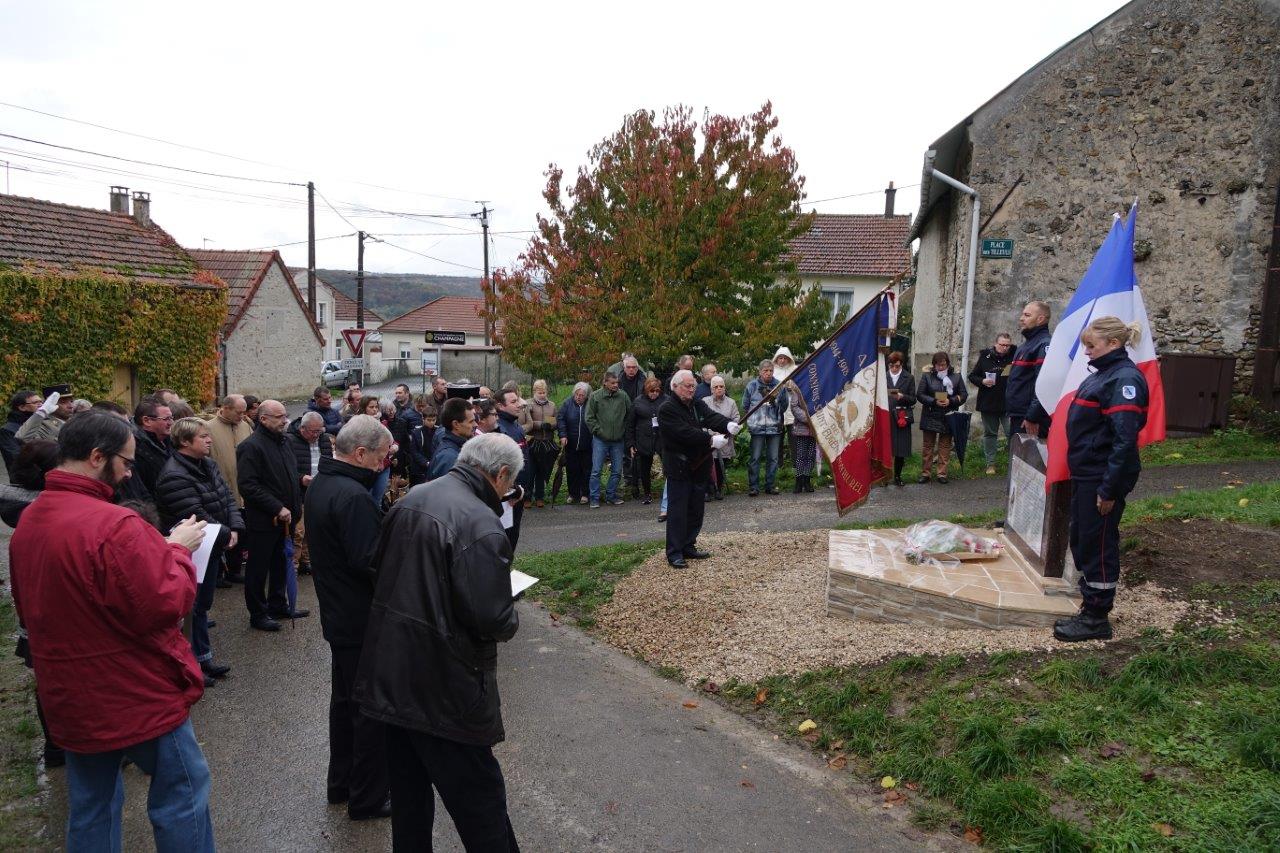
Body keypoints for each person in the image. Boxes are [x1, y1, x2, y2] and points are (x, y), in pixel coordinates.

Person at [9, 412, 214, 851]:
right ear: (96, 456)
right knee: (182, 793)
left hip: (70, 692)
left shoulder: (31, 520)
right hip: (135, 691)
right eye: (125, 461)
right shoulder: (116, 525)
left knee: (92, 804)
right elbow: (165, 605)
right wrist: (176, 553)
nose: (128, 472)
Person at [355, 433, 523, 851]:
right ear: (501, 475)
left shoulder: (412, 498)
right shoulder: (481, 523)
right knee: (480, 803)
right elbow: (491, 617)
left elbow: (381, 569)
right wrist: (510, 610)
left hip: (393, 672)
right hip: (446, 684)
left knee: (410, 799)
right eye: (509, 484)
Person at [305, 415, 394, 821]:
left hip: (339, 615)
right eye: (380, 457)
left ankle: (341, 784)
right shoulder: (353, 496)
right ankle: (368, 797)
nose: (383, 465)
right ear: (360, 453)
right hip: (360, 620)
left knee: (344, 705)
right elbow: (370, 561)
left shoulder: (325, 482)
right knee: (369, 711)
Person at [1055, 317, 1150, 643]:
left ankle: (1097, 617)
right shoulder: (1104, 374)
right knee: (1082, 540)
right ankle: (1089, 604)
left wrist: (1108, 489)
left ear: (1112, 344)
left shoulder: (1124, 380)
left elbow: (1124, 441)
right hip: (1088, 474)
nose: (1085, 352)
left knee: (1098, 544)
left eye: (1091, 346)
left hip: (1101, 478)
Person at [155, 417, 243, 685]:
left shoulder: (208, 464)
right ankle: (191, 665)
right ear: (184, 441)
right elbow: (194, 512)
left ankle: (204, 657)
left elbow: (227, 496)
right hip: (192, 549)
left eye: (208, 435)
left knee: (202, 606)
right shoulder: (174, 475)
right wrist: (227, 533)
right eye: (203, 436)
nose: (209, 440)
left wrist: (235, 526)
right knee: (190, 608)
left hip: (211, 545)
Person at [0, 440, 62, 768]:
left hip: (33, 605)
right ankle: (59, 744)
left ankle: (55, 745)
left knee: (46, 680)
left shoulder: (25, 509)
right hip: (50, 607)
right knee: (57, 681)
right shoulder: (43, 512)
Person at [237, 400, 307, 631]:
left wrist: (299, 480)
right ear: (263, 419)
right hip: (265, 520)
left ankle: (278, 604)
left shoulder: (284, 441)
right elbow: (248, 486)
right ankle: (257, 613)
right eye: (279, 417)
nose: (285, 420)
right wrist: (277, 507)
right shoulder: (251, 446)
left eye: (285, 415)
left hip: (286, 519)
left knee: (280, 563)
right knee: (258, 568)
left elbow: (284, 474)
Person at [659, 370, 740, 568]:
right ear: (675, 386)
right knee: (678, 510)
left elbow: (711, 417)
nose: (691, 389)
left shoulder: (696, 403)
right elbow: (683, 433)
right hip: (679, 465)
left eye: (693, 386)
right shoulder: (667, 409)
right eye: (688, 386)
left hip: (699, 464)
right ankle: (675, 552)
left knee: (696, 507)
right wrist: (710, 439)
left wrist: (728, 425)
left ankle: (688, 545)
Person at [204, 394, 253, 586]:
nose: (242, 415)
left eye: (243, 412)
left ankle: (234, 570)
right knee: (221, 533)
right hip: (220, 489)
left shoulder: (245, 426)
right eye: (238, 412)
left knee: (240, 532)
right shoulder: (208, 428)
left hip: (244, 489)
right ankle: (217, 575)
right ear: (225, 408)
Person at [287, 411, 335, 574]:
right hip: (299, 493)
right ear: (302, 429)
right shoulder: (290, 441)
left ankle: (306, 561)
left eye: (319, 430)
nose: (317, 434)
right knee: (298, 531)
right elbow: (286, 469)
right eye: (313, 431)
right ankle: (292, 564)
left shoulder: (324, 439)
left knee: (312, 529)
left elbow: (329, 462)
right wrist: (301, 479)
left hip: (319, 490)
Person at [916, 351, 968, 484]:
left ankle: (942, 474)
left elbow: (963, 395)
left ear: (947, 364)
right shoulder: (927, 376)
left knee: (945, 445)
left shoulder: (956, 377)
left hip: (948, 415)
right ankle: (925, 473)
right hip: (931, 414)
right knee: (928, 446)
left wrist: (951, 401)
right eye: (938, 365)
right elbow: (920, 395)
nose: (941, 367)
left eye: (943, 365)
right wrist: (934, 401)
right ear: (934, 365)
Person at [969, 332, 1016, 474]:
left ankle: (1014, 464)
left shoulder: (1015, 355)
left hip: (1009, 403)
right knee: (990, 433)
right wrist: (982, 381)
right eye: (1002, 345)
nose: (1005, 348)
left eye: (1007, 345)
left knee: (1012, 433)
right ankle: (991, 464)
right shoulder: (985, 356)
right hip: (989, 402)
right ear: (996, 344)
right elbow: (972, 376)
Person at [742, 359, 788, 496]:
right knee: (755, 457)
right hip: (757, 428)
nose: (768, 373)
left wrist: (775, 405)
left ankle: (770, 485)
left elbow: (784, 405)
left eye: (771, 371)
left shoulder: (780, 386)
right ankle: (754, 486)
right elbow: (745, 405)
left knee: (773, 458)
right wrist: (754, 419)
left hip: (774, 427)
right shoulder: (751, 386)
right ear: (760, 372)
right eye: (765, 371)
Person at [1007, 301, 1053, 435]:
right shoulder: (1025, 346)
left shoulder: (1044, 344)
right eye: (1022, 314)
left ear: (1040, 319)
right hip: (1019, 416)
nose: (1021, 318)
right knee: (1016, 455)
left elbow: (1045, 384)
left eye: (1027, 315)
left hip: (1031, 419)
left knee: (1029, 456)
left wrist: (1032, 416)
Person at [586, 371, 631, 507]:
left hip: (618, 440)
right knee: (596, 470)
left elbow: (630, 415)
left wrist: (623, 430)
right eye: (612, 383)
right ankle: (594, 497)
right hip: (600, 439)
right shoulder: (595, 396)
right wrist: (599, 431)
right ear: (605, 383)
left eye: (617, 383)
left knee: (617, 470)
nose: (615, 385)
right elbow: (589, 418)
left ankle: (610, 495)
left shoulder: (623, 396)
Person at [495, 389, 532, 549]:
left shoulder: (514, 424)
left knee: (513, 536)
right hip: (508, 494)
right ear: (500, 406)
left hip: (519, 491)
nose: (519, 405)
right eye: (513, 402)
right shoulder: (500, 429)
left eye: (518, 400)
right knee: (504, 538)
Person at [626, 377, 664, 504]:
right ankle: (647, 493)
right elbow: (630, 424)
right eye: (652, 391)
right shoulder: (637, 402)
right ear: (647, 390)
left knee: (669, 466)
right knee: (644, 469)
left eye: (657, 391)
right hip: (644, 439)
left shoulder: (666, 400)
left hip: (661, 438)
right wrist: (631, 443)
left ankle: (671, 491)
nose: (654, 394)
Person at [702, 376, 739, 500]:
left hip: (725, 439)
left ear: (724, 388)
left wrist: (727, 431)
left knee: (720, 465)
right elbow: (701, 421)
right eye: (716, 387)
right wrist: (711, 434)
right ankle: (708, 489)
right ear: (711, 389)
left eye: (721, 386)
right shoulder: (705, 402)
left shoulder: (731, 402)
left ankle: (719, 488)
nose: (719, 389)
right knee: (707, 465)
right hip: (710, 439)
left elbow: (736, 419)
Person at [132, 394, 175, 499]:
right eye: (166, 419)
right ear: (147, 421)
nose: (171, 422)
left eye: (171, 418)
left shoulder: (170, 441)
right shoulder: (135, 449)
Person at [885, 352, 916, 487]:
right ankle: (884, 477)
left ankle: (897, 476)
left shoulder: (909, 378)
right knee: (886, 447)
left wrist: (902, 396)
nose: (894, 369)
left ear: (901, 364)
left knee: (900, 448)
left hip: (901, 415)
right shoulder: (883, 376)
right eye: (891, 366)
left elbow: (913, 399)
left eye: (897, 366)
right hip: (886, 415)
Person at [558, 382, 592, 505]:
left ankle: (585, 494)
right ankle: (573, 494)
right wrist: (562, 435)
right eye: (577, 394)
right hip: (571, 444)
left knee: (586, 470)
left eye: (582, 395)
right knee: (572, 470)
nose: (579, 397)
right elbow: (561, 419)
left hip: (587, 444)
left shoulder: (590, 404)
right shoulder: (567, 404)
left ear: (586, 396)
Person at [426, 397, 475, 480]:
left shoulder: (455, 448)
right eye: (471, 421)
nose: (475, 425)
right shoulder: (449, 458)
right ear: (456, 424)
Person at [390, 384, 429, 485]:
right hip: (412, 451)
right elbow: (402, 434)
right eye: (419, 406)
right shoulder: (406, 415)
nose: (421, 408)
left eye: (423, 406)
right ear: (415, 403)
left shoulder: (428, 413)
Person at [1, 390, 39, 473]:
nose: (41, 405)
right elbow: (15, 459)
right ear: (22, 407)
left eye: (41, 402)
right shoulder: (7, 430)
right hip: (25, 480)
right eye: (36, 402)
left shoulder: (44, 423)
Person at [788, 387, 816, 493]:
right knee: (800, 456)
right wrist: (808, 418)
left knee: (810, 456)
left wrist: (815, 418)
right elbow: (794, 407)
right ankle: (798, 482)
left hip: (814, 430)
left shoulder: (818, 389)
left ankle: (807, 480)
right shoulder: (798, 389)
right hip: (802, 429)